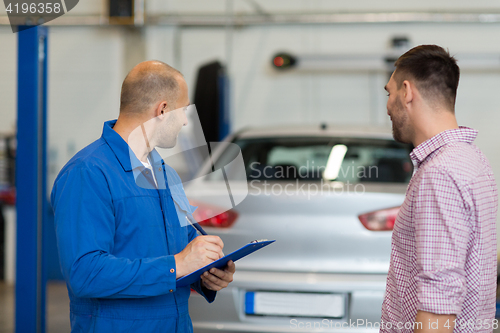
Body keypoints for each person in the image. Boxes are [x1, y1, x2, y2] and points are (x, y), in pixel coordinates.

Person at [51, 60, 235, 332]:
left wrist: (206, 272)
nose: (185, 121)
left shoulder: (166, 174)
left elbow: (185, 241)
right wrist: (177, 265)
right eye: (184, 111)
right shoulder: (88, 173)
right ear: (162, 110)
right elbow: (85, 273)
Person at [382, 45, 498, 332]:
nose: (387, 105)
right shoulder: (473, 159)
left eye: (389, 93)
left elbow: (439, 299)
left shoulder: (440, 173)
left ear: (407, 92)